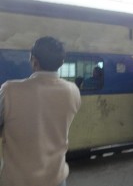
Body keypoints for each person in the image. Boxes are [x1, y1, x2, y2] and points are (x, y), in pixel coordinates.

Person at [0, 36, 81, 186]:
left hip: (17, 181)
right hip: (56, 179)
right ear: (62, 63)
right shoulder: (72, 91)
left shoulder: (9, 90)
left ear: (34, 60)